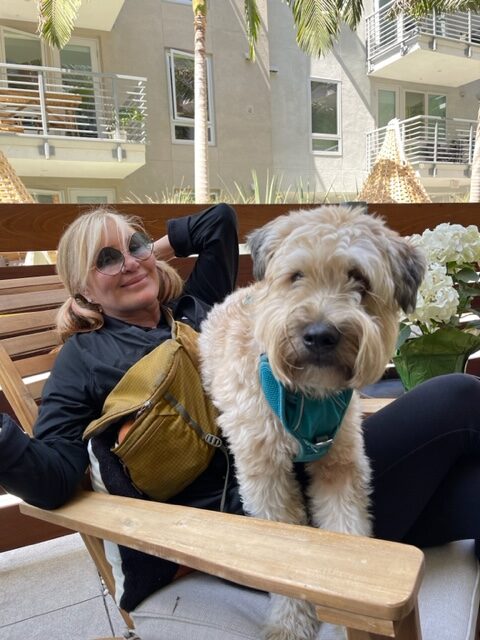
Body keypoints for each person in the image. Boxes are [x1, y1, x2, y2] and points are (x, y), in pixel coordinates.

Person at [0, 202, 479, 640]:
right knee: (456, 397)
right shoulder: (82, 358)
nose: (128, 262)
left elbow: (220, 222)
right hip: (232, 528)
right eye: (105, 260)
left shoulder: (192, 306)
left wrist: (150, 257)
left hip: (319, 474)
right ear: (81, 287)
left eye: (135, 246)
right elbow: (56, 476)